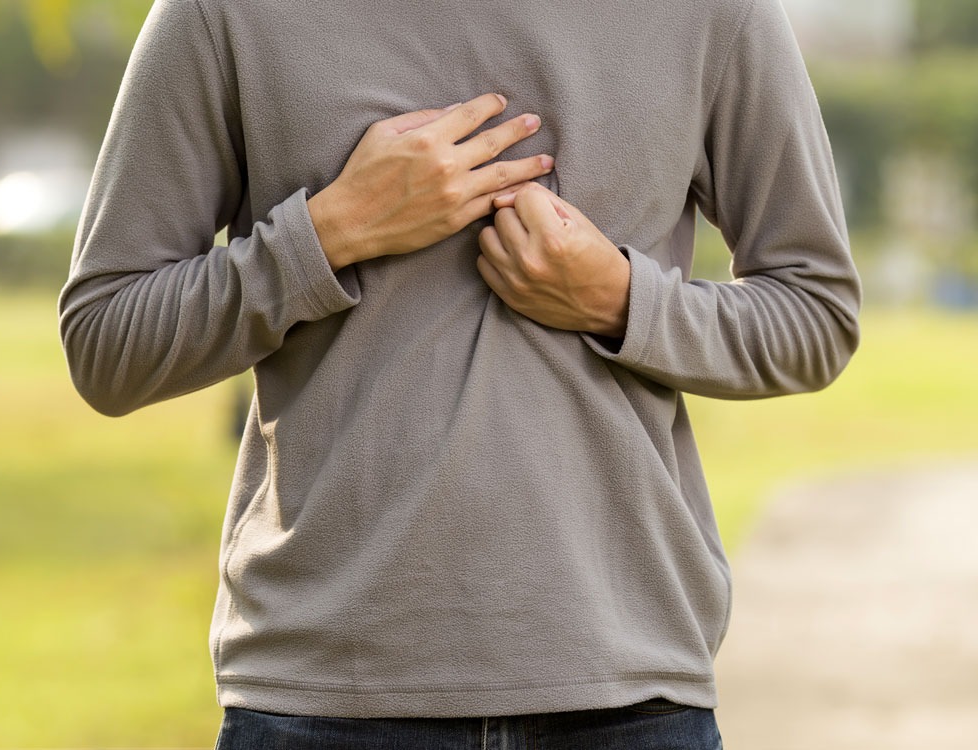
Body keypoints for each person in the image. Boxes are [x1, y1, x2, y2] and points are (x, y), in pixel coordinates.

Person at [58, 0, 861, 747]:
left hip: (628, 697)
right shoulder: (224, 13)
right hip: (321, 697)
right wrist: (326, 235)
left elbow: (817, 313)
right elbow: (106, 343)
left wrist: (618, 299)